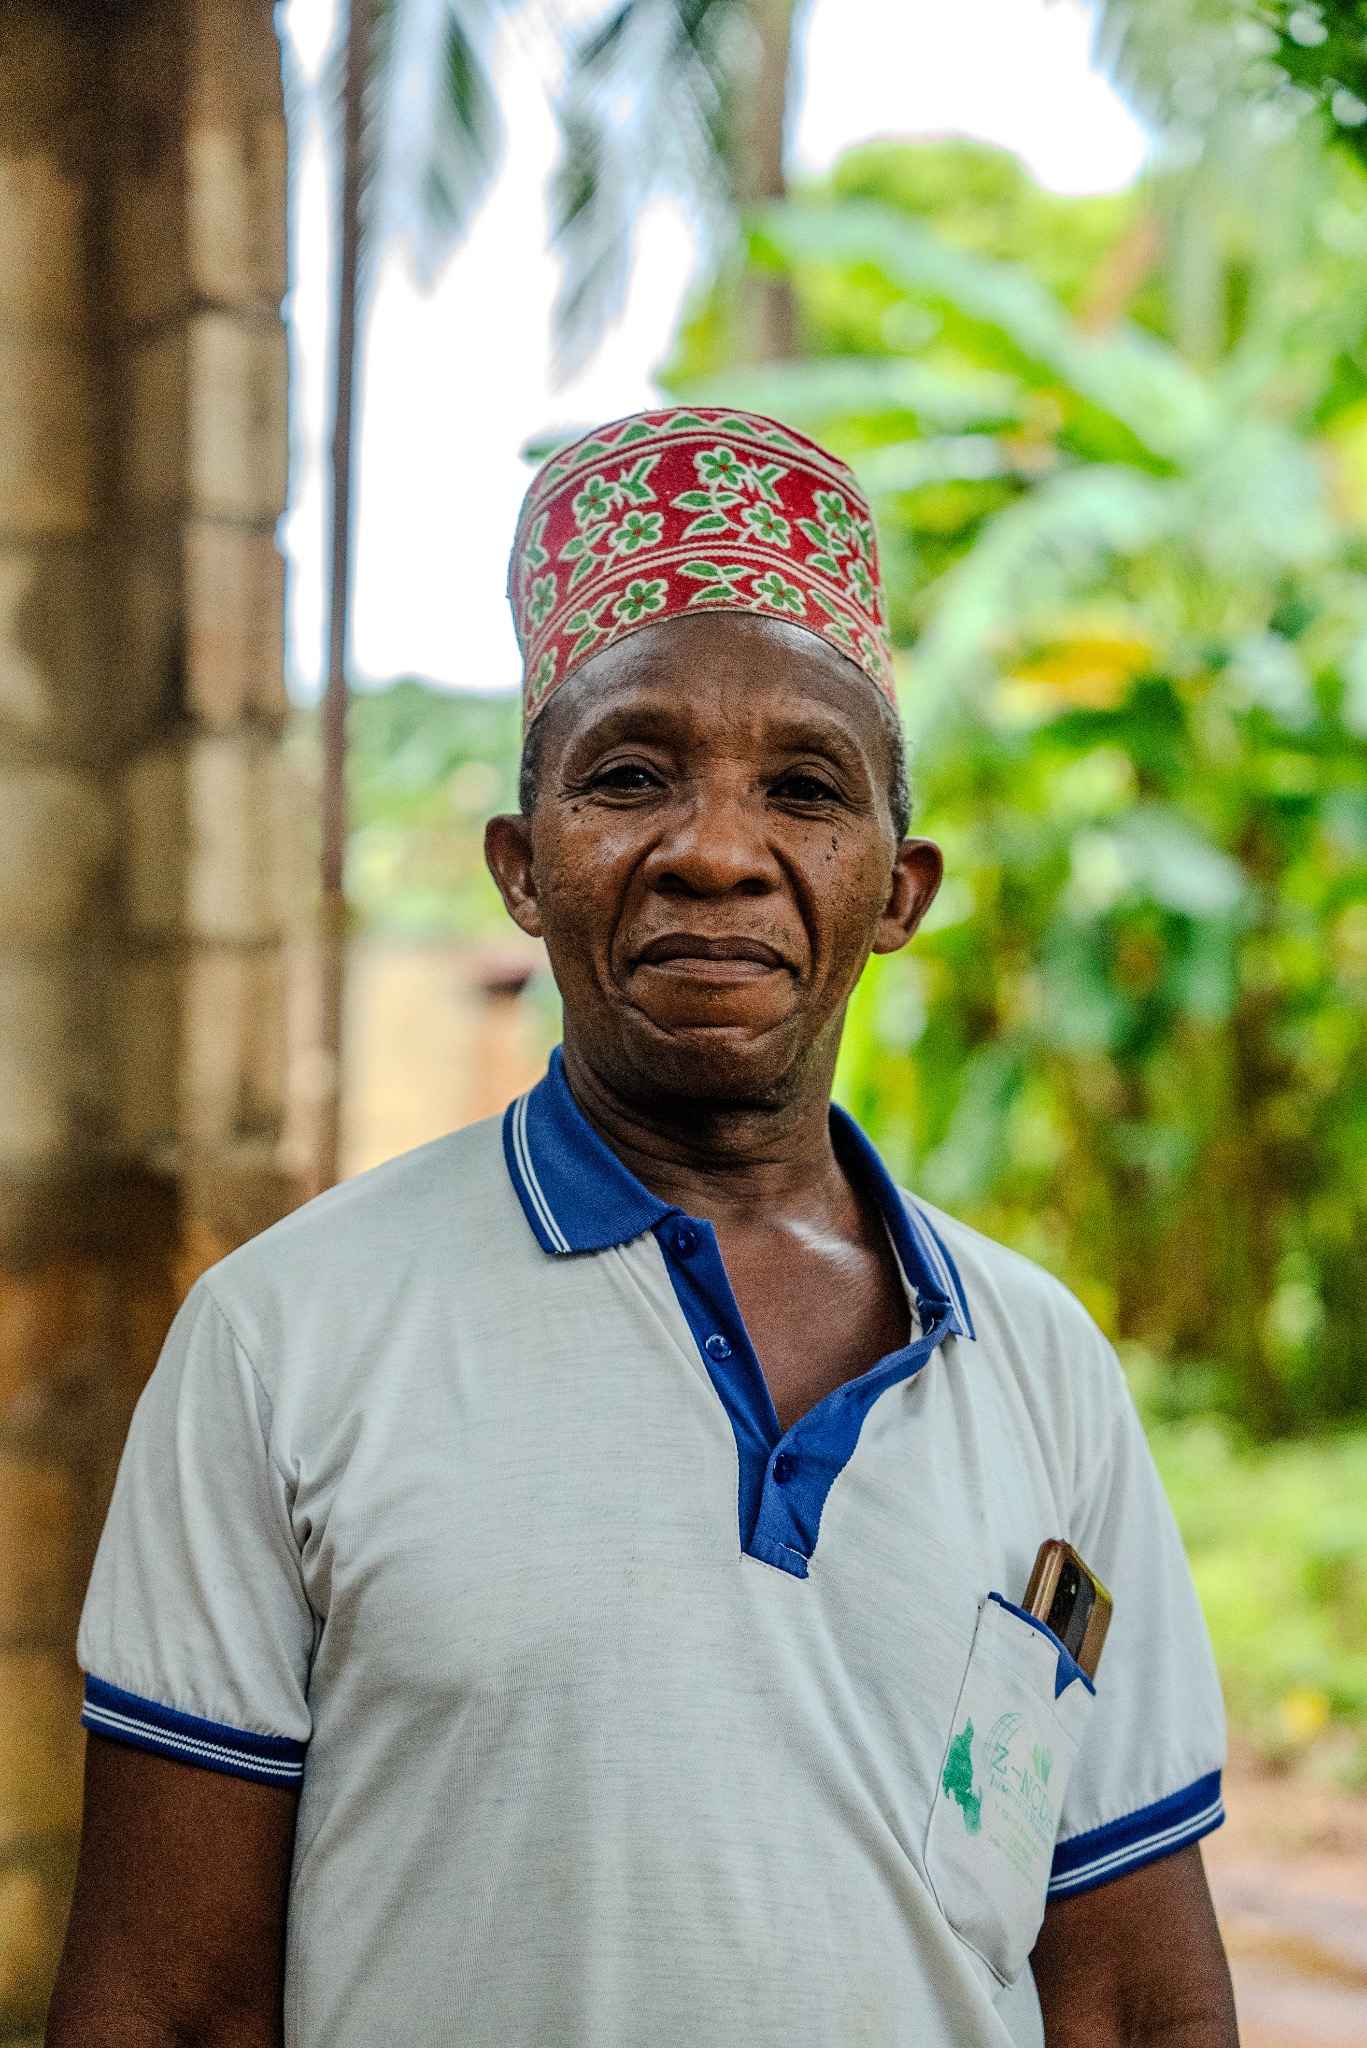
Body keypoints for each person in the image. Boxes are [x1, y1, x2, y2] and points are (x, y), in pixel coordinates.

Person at [48, 407, 1238, 2048]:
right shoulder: (284, 1340)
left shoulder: (1040, 1366)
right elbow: (165, 2006)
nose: (717, 855)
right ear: (525, 868)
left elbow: (1128, 1999)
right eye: (629, 777)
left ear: (900, 889)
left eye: (806, 789)